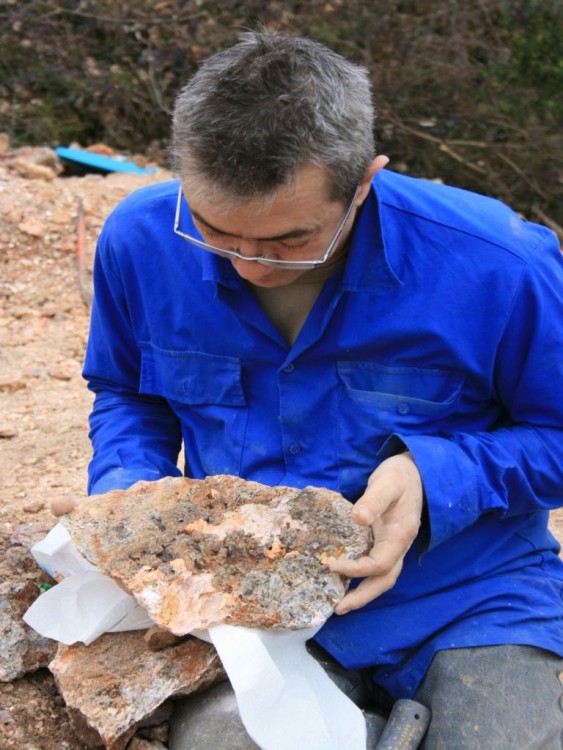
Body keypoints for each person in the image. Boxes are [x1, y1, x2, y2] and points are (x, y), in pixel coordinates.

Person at [62, 30, 563, 749]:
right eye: (214, 230)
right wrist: (131, 494)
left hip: (468, 598)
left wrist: (434, 474)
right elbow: (126, 391)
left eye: (289, 242)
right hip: (250, 606)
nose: (247, 265)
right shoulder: (141, 239)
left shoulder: (498, 263)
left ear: (365, 181)